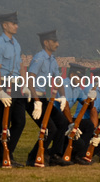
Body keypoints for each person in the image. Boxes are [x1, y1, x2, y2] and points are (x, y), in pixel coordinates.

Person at [25, 30, 72, 167]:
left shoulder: (52, 60)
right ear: (46, 43)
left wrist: (63, 96)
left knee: (62, 123)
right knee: (49, 128)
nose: (57, 44)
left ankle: (55, 156)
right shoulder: (39, 58)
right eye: (54, 41)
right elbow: (30, 80)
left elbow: (58, 80)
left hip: (43, 99)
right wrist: (37, 102)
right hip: (34, 99)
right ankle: (32, 157)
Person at [0, 11, 26, 168]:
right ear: (5, 25)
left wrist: (25, 84)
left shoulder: (16, 43)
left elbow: (20, 65)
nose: (16, 26)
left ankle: (8, 152)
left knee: (19, 121)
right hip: (5, 84)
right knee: (3, 122)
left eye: (16, 23)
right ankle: (0, 157)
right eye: (13, 23)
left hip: (16, 84)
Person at [60, 63, 96, 164]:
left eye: (82, 78)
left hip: (66, 118)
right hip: (59, 117)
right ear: (72, 75)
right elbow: (65, 107)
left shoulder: (78, 89)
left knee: (88, 125)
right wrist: (72, 124)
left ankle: (79, 155)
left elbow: (87, 105)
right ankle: (72, 153)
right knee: (79, 142)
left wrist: (91, 98)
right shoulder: (65, 84)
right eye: (79, 77)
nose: (81, 80)